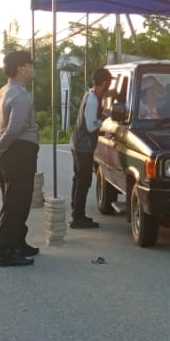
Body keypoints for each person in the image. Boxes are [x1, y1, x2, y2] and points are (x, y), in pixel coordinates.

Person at [0, 50, 40, 267]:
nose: (32, 68)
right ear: (20, 68)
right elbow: (14, 129)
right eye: (29, 65)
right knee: (17, 202)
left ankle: (18, 241)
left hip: (6, 153)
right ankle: (5, 250)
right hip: (20, 151)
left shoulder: (0, 93)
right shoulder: (21, 95)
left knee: (13, 199)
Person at [68, 68, 112, 229]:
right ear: (104, 83)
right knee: (84, 181)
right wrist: (104, 117)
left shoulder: (90, 95)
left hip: (79, 143)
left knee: (78, 178)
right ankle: (78, 217)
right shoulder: (93, 99)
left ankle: (76, 211)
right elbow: (91, 126)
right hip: (83, 146)